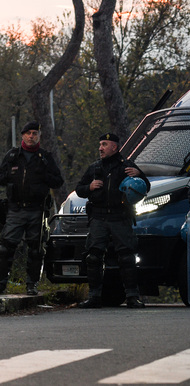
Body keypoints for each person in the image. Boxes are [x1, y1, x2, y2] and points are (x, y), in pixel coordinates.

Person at [76, 133, 151, 308]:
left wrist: (139, 174)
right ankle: (94, 297)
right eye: (100, 144)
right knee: (93, 257)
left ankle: (132, 296)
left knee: (127, 257)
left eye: (104, 144)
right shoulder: (94, 168)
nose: (100, 148)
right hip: (99, 217)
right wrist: (89, 187)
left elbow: (145, 186)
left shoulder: (127, 167)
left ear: (114, 147)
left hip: (120, 217)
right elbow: (79, 189)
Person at [0, 122, 64, 295]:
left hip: (36, 210)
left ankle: (31, 284)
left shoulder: (45, 157)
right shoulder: (13, 155)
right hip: (15, 209)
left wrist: (44, 175)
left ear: (39, 136)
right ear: (22, 135)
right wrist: (9, 176)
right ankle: (1, 283)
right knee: (5, 247)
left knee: (35, 249)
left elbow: (58, 181)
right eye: (28, 133)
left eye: (35, 133)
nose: (31, 136)